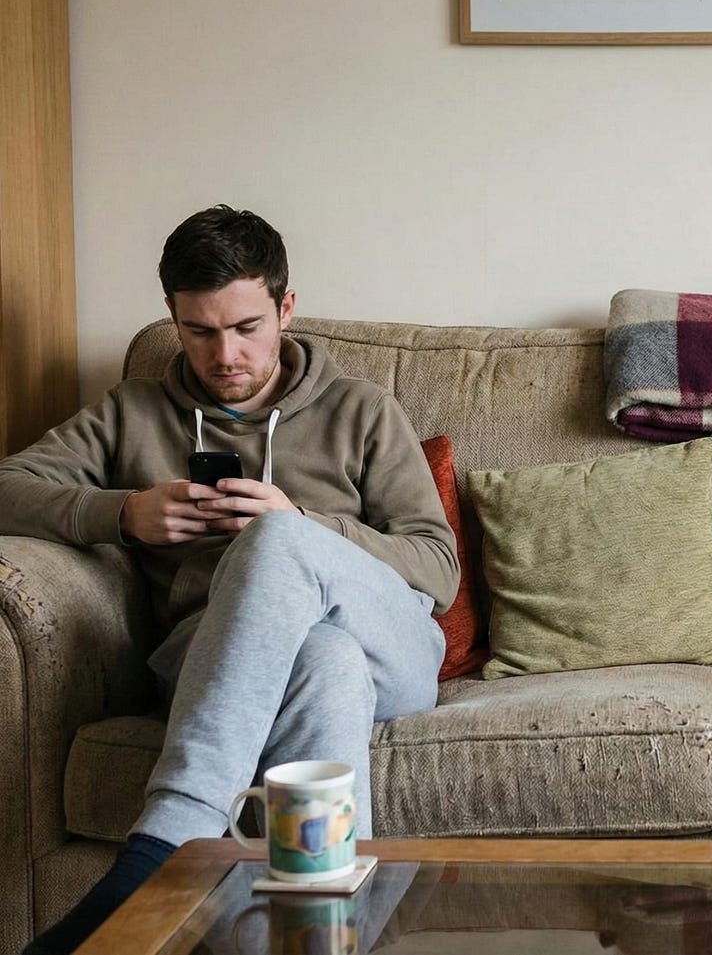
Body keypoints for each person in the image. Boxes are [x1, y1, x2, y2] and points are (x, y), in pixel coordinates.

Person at [0, 206, 459, 954]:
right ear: (173, 320)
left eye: (246, 326)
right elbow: (7, 487)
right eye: (200, 331)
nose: (226, 354)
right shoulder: (132, 413)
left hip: (394, 649)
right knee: (323, 661)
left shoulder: (363, 410)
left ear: (286, 308)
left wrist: (303, 526)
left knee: (287, 548)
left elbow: (437, 569)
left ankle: (164, 845)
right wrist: (123, 513)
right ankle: (322, 937)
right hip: (215, 652)